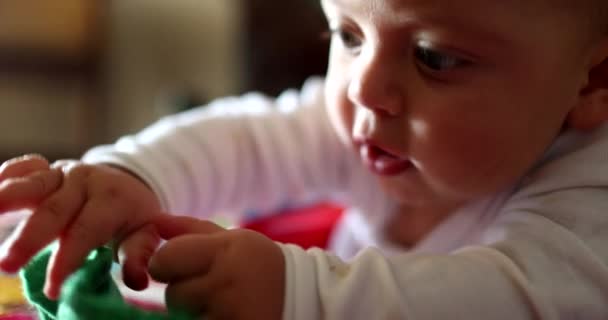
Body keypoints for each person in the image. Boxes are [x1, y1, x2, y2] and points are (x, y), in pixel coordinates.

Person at [2, 0, 608, 318]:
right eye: (348, 35)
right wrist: (133, 177)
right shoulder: (378, 125)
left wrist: (299, 296)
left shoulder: (590, 201)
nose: (362, 90)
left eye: (435, 58)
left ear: (592, 80)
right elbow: (254, 138)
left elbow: (506, 304)